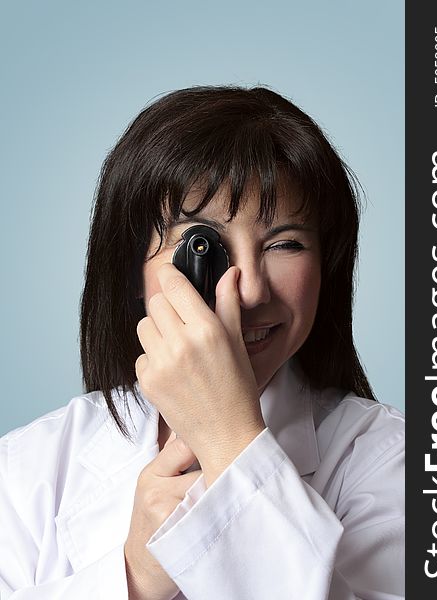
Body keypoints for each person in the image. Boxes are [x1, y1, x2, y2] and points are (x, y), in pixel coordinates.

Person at [0, 85, 404, 599]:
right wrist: (132, 580)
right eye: (203, 245)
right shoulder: (28, 470)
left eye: (285, 243)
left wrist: (228, 436)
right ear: (130, 270)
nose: (251, 289)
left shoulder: (395, 462)